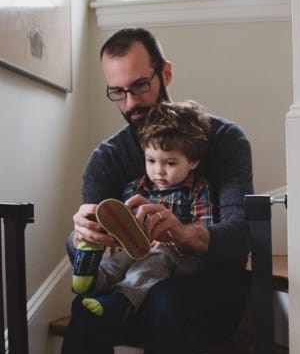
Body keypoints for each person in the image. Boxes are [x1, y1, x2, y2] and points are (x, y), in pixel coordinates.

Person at [13, 27, 253, 354]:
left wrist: (185, 232)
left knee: (165, 305)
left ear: (165, 74)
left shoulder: (224, 140)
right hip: (130, 286)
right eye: (117, 92)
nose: (130, 103)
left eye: (139, 87)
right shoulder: (109, 157)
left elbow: (239, 238)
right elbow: (88, 251)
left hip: (207, 290)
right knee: (85, 313)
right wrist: (82, 239)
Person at [72, 100, 215, 323]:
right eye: (150, 160)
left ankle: (121, 302)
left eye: (170, 163)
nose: (158, 171)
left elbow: (203, 233)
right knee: (120, 259)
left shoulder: (197, 190)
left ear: (193, 161)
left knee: (156, 259)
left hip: (181, 259)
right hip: (141, 251)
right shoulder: (136, 188)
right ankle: (93, 282)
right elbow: (124, 229)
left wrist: (172, 240)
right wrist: (120, 239)